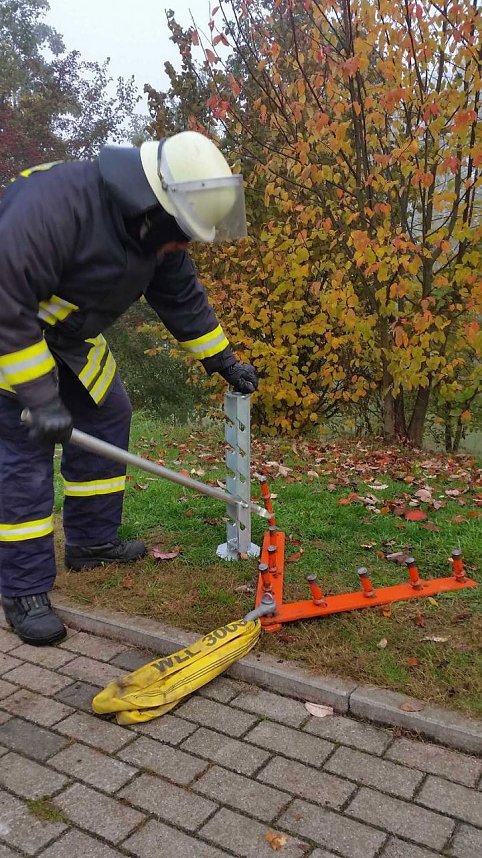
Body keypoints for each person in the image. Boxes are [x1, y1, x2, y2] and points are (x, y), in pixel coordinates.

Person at [0, 130, 258, 646]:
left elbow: (180, 295)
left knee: (108, 412)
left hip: (70, 338)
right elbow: (7, 302)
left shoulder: (152, 228)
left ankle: (92, 542)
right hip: (11, 335)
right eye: (181, 231)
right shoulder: (51, 207)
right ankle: (23, 590)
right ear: (151, 210)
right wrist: (41, 399)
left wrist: (221, 358)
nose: (184, 244)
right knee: (24, 450)